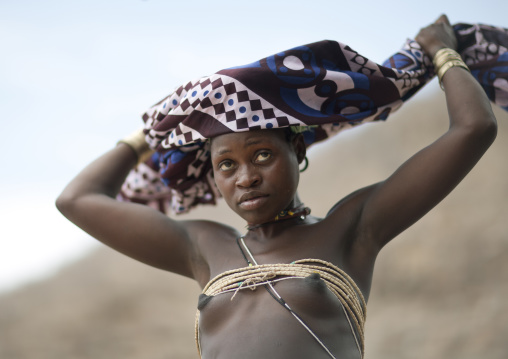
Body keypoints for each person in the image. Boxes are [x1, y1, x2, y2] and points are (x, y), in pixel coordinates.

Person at [56, 15, 501, 359]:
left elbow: (473, 127)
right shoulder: (203, 247)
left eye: (262, 155)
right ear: (213, 176)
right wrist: (152, 133)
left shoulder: (354, 226)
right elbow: (76, 200)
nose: (245, 176)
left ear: (297, 150)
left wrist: (442, 53)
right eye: (226, 165)